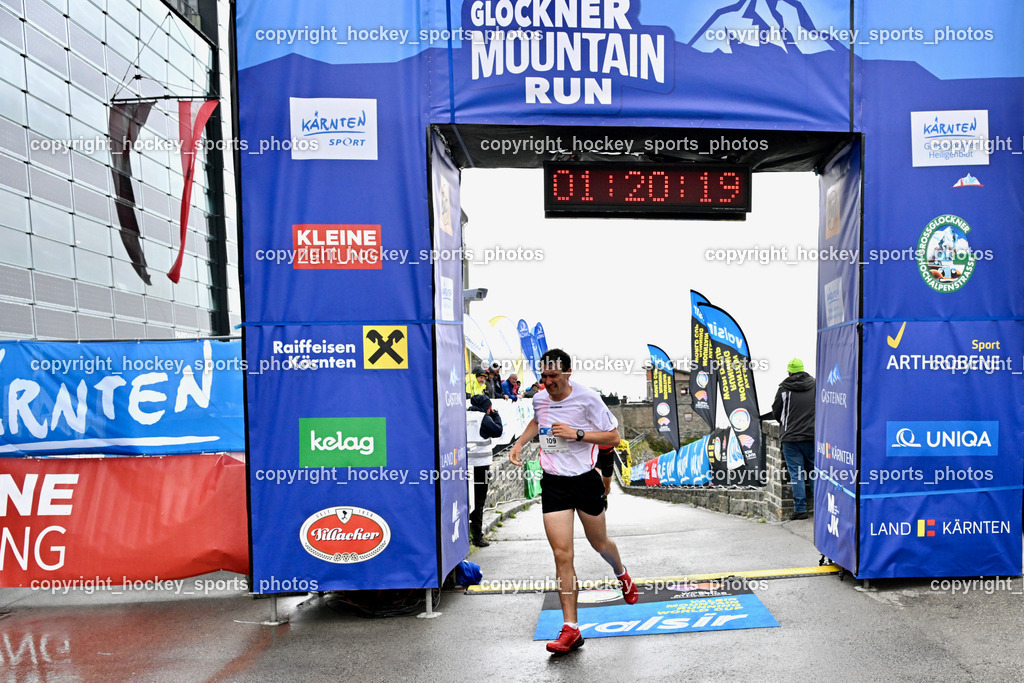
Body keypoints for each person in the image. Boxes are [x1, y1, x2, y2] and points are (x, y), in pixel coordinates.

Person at [509, 348, 637, 654]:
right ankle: (571, 628)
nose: (548, 382)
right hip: (554, 483)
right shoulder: (540, 399)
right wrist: (520, 442)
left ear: (568, 373)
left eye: (553, 376)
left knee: (600, 543)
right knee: (562, 554)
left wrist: (576, 434)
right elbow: (536, 421)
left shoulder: (588, 398)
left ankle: (622, 574)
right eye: (544, 377)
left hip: (584, 480)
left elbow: (614, 438)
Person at [770, 358, 816, 520]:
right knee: (814, 473)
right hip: (812, 436)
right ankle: (820, 506)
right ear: (803, 370)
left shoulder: (784, 389)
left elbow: (776, 411)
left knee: (796, 474)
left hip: (791, 438)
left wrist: (786, 425)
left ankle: (800, 509)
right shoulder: (816, 385)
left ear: (789, 371)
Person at [467, 394, 503, 547]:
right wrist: (496, 415)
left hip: (461, 464)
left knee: (464, 500)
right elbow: (497, 431)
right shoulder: (483, 418)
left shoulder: (462, 415)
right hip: (480, 465)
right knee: (478, 501)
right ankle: (477, 537)